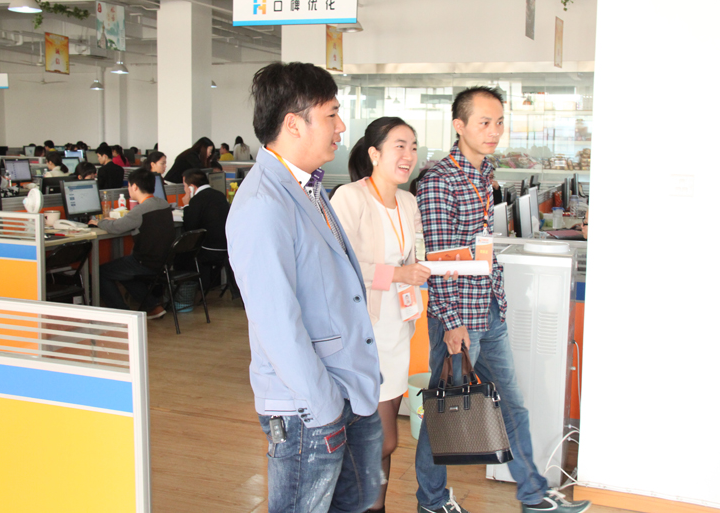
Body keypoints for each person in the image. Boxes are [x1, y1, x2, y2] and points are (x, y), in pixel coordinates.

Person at [415, 87, 591, 513]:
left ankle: (533, 494)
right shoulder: (440, 180)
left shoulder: (484, 173)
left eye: (498, 122)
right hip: (458, 316)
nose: (494, 131)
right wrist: (452, 322)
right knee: (445, 412)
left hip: (489, 310)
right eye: (484, 122)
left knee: (512, 406)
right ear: (459, 126)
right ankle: (431, 501)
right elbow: (439, 258)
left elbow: (480, 245)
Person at [226, 61, 383, 513]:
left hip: (348, 390)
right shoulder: (263, 204)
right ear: (294, 124)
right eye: (332, 114)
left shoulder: (308, 187)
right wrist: (324, 406)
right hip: (309, 408)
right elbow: (276, 323)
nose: (342, 126)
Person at [331, 117, 432, 513]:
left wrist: (443, 263)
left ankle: (376, 508)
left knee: (384, 441)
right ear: (374, 153)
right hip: (363, 333)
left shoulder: (408, 202)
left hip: (396, 331)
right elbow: (339, 265)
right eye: (399, 146)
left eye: (413, 146)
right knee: (382, 439)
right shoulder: (350, 198)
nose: (408, 155)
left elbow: (416, 255)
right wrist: (399, 274)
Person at [90, 168, 174, 319]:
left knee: (101, 272)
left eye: (128, 186)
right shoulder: (163, 204)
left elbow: (116, 228)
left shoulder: (140, 210)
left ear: (134, 187)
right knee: (123, 270)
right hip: (163, 261)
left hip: (145, 262)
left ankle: (122, 313)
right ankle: (153, 306)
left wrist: (98, 222)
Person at [178, 168, 230, 291]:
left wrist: (187, 205)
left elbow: (190, 228)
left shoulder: (197, 200)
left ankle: (187, 291)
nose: (184, 190)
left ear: (191, 187)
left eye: (185, 186)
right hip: (226, 247)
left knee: (179, 256)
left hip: (209, 250)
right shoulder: (220, 195)